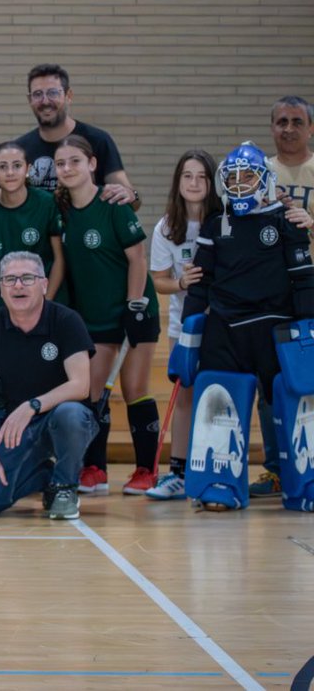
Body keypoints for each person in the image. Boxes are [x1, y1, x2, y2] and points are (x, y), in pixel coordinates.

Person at [181, 142, 314, 508]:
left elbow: (304, 280)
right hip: (225, 331)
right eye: (233, 178)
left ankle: (306, 483)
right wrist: (188, 339)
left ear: (265, 181)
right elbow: (200, 285)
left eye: (248, 177)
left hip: (277, 331)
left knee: (297, 406)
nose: (239, 185)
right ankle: (219, 487)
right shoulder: (215, 224)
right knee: (219, 403)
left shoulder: (287, 222)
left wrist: (309, 335)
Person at [54, 134, 160, 496]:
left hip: (135, 312)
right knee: (92, 392)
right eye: (60, 163)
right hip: (94, 318)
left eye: (75, 162)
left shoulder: (113, 203)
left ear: (92, 165)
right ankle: (95, 469)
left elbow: (138, 258)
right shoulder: (62, 211)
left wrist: (134, 306)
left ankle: (147, 470)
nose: (67, 169)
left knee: (134, 390)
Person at [0, 252, 97, 520]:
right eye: (10, 279)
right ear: (1, 288)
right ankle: (46, 478)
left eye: (27, 278)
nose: (18, 285)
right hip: (18, 427)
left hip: (62, 418)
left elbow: (81, 385)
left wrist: (32, 405)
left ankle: (64, 487)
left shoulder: (66, 320)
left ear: (44, 285)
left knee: (70, 414)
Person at [144, 150, 219, 500]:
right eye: (187, 176)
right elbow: (159, 280)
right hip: (183, 325)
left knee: (217, 395)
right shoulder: (166, 227)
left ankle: (215, 471)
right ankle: (177, 473)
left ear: (212, 182)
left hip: (223, 324)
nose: (194, 183)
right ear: (178, 182)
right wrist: (182, 284)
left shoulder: (224, 220)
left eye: (201, 176)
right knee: (184, 394)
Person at [258, 95, 314, 497]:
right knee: (272, 381)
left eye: (297, 121)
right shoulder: (259, 173)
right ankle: (278, 468)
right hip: (274, 294)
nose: (289, 129)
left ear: (310, 128)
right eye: (282, 121)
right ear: (272, 127)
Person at [14, 63, 138, 209]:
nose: (45, 101)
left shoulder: (97, 140)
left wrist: (130, 194)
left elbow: (133, 202)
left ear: (68, 96)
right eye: (37, 94)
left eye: (53, 93)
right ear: (30, 100)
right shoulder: (20, 149)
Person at [0, 140, 65, 312]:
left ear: (28, 169)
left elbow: (59, 260)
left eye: (17, 165)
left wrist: (45, 303)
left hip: (45, 299)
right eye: (2, 167)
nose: (10, 172)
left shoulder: (46, 203)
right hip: (2, 302)